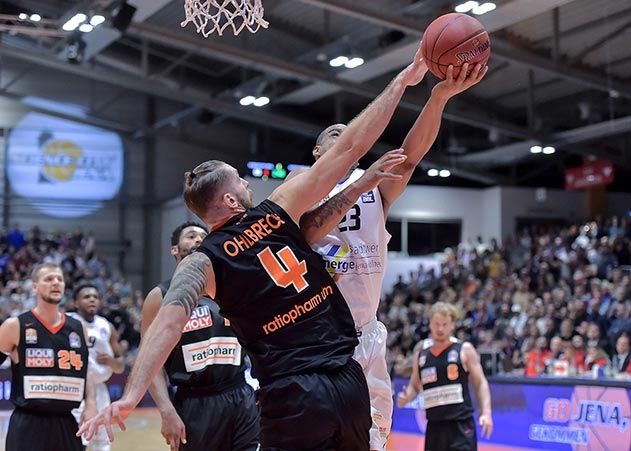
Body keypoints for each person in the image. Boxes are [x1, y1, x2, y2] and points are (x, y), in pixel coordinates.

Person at [79, 43, 428, 450]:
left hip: (295, 392)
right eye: (239, 182)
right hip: (346, 381)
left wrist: (130, 395)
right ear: (229, 200)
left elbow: (166, 326)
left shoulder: (204, 262)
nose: (247, 185)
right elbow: (350, 147)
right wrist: (403, 80)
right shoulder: (277, 210)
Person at [295, 62, 487, 449]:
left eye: (349, 133)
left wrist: (437, 98)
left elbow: (411, 156)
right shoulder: (298, 189)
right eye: (335, 134)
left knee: (373, 439)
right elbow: (307, 229)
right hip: (317, 337)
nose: (345, 135)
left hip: (367, 334)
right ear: (317, 151)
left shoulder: (373, 189)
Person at [142, 222, 259, 451]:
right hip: (195, 404)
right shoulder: (160, 297)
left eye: (203, 236)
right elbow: (149, 362)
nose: (198, 240)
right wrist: (166, 410)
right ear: (174, 249)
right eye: (191, 236)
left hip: (240, 394)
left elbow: (258, 340)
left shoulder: (232, 289)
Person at [0, 263, 96, 451]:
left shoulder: (78, 328)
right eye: (49, 279)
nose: (56, 283)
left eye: (60, 279)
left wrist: (91, 403)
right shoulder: (15, 325)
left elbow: (86, 371)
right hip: (28, 422)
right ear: (34, 286)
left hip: (67, 422)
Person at [397, 302, 493, 451]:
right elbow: (415, 386)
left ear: (452, 325)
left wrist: (486, 413)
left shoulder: (464, 350)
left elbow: (480, 383)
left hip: (460, 425)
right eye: (436, 324)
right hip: (434, 426)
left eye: (444, 324)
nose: (440, 329)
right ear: (430, 324)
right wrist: (407, 397)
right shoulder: (421, 353)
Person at [70, 283, 126, 451]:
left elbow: (120, 367)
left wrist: (111, 361)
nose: (92, 300)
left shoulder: (106, 326)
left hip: (99, 390)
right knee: (75, 438)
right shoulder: (68, 321)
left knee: (102, 440)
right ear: (76, 303)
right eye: (86, 297)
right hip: (74, 388)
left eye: (95, 297)